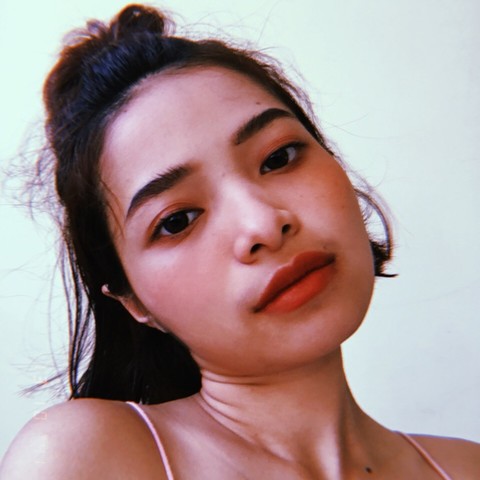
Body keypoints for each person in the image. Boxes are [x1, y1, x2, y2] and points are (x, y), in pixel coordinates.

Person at [1, 4, 479, 479]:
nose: (264, 225)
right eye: (177, 221)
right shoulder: (84, 458)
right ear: (133, 300)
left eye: (279, 158)